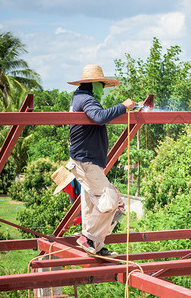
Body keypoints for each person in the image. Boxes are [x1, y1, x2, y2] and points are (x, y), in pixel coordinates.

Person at [65, 64, 135, 257]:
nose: (102, 89)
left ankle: (94, 245)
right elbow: (99, 117)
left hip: (85, 161)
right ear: (93, 84)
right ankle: (88, 238)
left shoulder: (79, 98)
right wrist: (123, 106)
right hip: (86, 162)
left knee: (90, 207)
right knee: (112, 203)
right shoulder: (86, 99)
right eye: (101, 85)